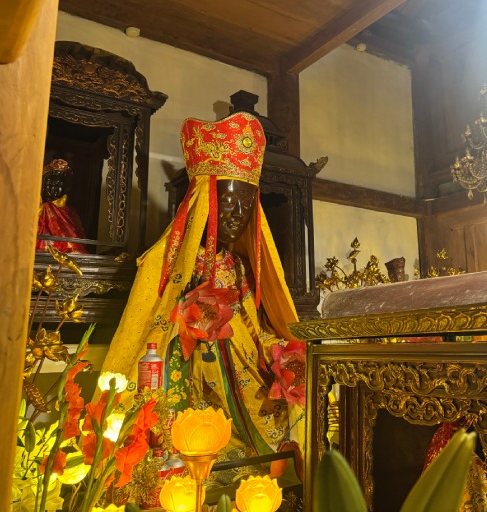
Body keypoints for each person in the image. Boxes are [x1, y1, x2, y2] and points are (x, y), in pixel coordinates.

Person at [99, 112, 303, 468]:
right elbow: (148, 333)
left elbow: (255, 329)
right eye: (227, 201)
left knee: (295, 406)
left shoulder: (239, 265)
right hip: (191, 377)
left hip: (243, 375)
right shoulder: (167, 261)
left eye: (245, 204)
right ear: (204, 200)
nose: (237, 214)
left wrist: (282, 355)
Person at [36, 158, 88, 254]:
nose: (54, 188)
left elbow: (77, 241)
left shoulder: (70, 212)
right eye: (50, 183)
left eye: (59, 184)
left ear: (66, 187)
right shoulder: (37, 210)